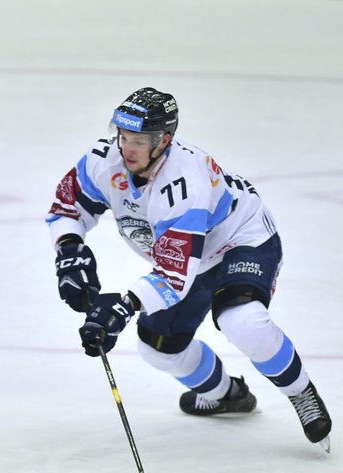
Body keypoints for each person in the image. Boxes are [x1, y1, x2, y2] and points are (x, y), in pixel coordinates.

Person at [46, 87, 332, 452]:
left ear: (163, 140)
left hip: (240, 240)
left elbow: (172, 276)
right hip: (186, 258)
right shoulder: (103, 161)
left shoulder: (184, 183)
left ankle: (300, 392)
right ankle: (227, 395)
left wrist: (124, 305)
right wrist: (69, 251)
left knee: (241, 320)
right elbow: (68, 206)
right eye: (123, 137)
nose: (127, 149)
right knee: (159, 348)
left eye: (139, 140)